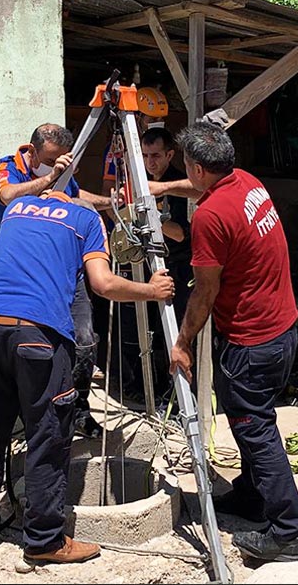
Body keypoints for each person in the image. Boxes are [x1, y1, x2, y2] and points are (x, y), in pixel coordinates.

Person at [0, 191, 174, 564]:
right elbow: (103, 284)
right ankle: (44, 541)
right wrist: (152, 290)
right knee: (48, 435)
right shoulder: (88, 221)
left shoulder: (16, 209)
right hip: (38, 337)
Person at [169, 121, 298, 563]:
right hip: (282, 331)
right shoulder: (245, 183)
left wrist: (183, 340)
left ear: (197, 169)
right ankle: (251, 497)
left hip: (252, 343)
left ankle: (287, 532)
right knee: (255, 425)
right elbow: (202, 190)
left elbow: (204, 291)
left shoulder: (210, 217)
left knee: (256, 431)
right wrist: (158, 186)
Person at [0, 124, 106, 439]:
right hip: (27, 273)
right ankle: (26, 416)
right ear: (34, 150)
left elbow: (77, 196)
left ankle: (78, 410)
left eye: (60, 161)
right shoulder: (9, 167)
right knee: (31, 347)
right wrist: (49, 179)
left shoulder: (60, 173)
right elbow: (7, 196)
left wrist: (111, 202)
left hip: (68, 270)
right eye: (50, 159)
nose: (55, 164)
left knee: (84, 341)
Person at [112, 126, 194, 409]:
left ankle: (177, 395)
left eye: (156, 155)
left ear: (170, 154)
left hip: (178, 267)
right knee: (139, 330)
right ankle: (144, 387)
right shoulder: (138, 181)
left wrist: (152, 216)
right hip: (145, 267)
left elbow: (182, 233)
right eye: (145, 156)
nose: (150, 162)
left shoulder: (179, 185)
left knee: (171, 331)